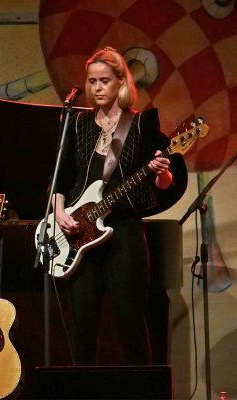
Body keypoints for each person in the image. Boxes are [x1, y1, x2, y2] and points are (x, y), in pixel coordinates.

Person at [53, 47, 185, 365]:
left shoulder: (139, 126)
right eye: (92, 81)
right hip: (79, 235)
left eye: (104, 81)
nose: (97, 88)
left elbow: (165, 186)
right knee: (82, 330)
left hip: (123, 234)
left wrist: (161, 172)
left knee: (131, 326)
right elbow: (62, 178)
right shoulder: (79, 124)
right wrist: (59, 213)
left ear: (120, 83)